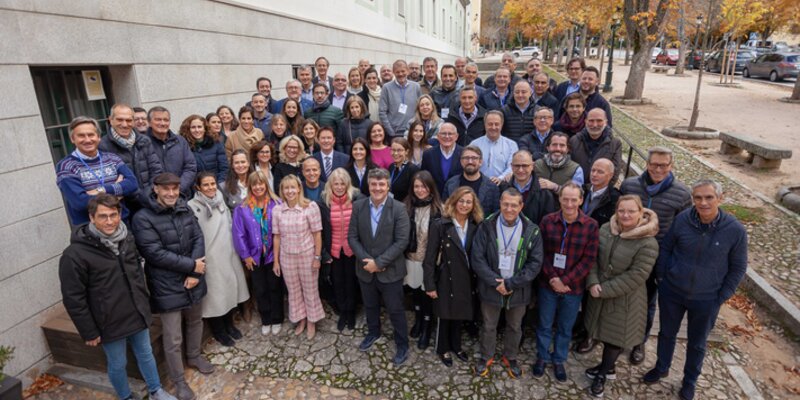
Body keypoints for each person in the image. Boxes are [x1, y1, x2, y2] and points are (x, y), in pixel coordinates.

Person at [59, 194, 177, 400]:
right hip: (108, 319)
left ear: (120, 214)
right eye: (103, 216)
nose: (110, 221)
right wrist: (88, 331)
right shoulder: (74, 254)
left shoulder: (127, 238)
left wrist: (144, 301)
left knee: (146, 354)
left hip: (136, 311)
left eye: (113, 215)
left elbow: (136, 274)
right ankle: (125, 396)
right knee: (118, 363)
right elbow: (73, 297)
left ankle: (155, 390)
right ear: (91, 217)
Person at [643, 180, 747, 400]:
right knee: (666, 334)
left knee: (697, 343)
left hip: (707, 298)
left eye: (709, 197)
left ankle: (689, 381)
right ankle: (662, 367)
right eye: (698, 197)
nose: (703, 202)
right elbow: (667, 248)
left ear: (720, 198)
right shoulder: (682, 219)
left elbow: (738, 267)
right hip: (673, 290)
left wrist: (722, 295)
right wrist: (662, 277)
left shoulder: (735, 230)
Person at [132, 173, 213, 400]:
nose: (171, 193)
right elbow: (154, 253)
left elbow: (198, 237)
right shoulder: (143, 218)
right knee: (173, 337)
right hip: (166, 284)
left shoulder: (184, 208)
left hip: (193, 276)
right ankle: (179, 381)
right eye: (165, 189)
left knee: (196, 320)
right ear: (155, 189)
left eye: (174, 189)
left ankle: (194, 356)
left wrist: (195, 272)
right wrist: (191, 266)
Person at [621, 146, 692, 365]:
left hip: (657, 257)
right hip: (627, 251)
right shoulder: (629, 185)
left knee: (648, 301)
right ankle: (613, 334)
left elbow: (683, 229)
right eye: (654, 164)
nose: (658, 169)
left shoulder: (681, 194)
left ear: (671, 167)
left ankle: (639, 341)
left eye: (663, 165)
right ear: (647, 164)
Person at [583, 194, 658, 397]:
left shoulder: (648, 242)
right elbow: (594, 258)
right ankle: (608, 367)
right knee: (601, 329)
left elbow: (637, 275)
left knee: (614, 337)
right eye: (621, 210)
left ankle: (603, 374)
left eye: (631, 211)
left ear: (640, 213)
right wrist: (593, 281)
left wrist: (604, 290)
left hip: (625, 297)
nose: (625, 215)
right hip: (599, 288)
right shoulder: (606, 229)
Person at [471, 188, 543, 378]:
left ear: (521, 206)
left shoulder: (532, 230)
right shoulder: (486, 226)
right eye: (506, 204)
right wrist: (496, 282)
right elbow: (477, 258)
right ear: (500, 204)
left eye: (514, 205)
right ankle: (486, 356)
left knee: (515, 326)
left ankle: (510, 356)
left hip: (518, 289)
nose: (509, 208)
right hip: (491, 287)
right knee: (488, 325)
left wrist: (511, 284)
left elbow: (535, 263)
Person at [532, 182, 599, 382]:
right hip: (548, 283)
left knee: (565, 326)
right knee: (544, 324)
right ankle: (542, 357)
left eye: (573, 199)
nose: (569, 204)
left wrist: (566, 280)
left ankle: (559, 359)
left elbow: (589, 259)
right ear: (559, 199)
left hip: (573, 286)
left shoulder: (591, 225)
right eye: (565, 199)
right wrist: (553, 278)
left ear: (580, 200)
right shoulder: (547, 221)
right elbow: (540, 252)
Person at [348, 168, 411, 366]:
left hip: (390, 271)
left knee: (395, 309)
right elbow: (352, 237)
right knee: (370, 305)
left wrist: (380, 263)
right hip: (365, 269)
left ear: (388, 186)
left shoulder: (399, 208)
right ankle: (373, 332)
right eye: (373, 184)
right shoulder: (358, 206)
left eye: (381, 184)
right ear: (368, 185)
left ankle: (402, 344)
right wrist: (369, 262)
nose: (377, 188)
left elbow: (402, 241)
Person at [423, 186, 483, 367]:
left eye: (468, 202)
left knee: (459, 314)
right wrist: (430, 285)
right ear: (454, 202)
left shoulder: (475, 226)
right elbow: (430, 257)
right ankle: (443, 348)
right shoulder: (440, 225)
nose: (464, 205)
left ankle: (456, 346)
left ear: (473, 205)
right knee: (445, 315)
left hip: (466, 278)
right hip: (445, 277)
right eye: (461, 201)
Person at [188, 173, 249, 347]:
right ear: (198, 187)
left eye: (213, 183)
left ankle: (229, 324)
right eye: (205, 185)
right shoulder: (192, 206)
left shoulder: (220, 198)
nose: (210, 188)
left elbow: (229, 222)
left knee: (229, 291)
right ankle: (219, 331)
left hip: (227, 251)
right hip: (210, 255)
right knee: (215, 296)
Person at [56, 116, 138, 225]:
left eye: (91, 135)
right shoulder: (66, 166)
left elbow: (132, 184)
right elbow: (80, 202)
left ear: (98, 137)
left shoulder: (112, 158)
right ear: (72, 139)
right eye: (81, 136)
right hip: (90, 231)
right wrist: (116, 194)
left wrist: (101, 190)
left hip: (121, 224)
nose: (87, 140)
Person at [232, 170, 284, 335]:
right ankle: (266, 318)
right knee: (260, 288)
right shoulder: (242, 208)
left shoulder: (277, 204)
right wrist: (245, 255)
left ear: (266, 184)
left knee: (275, 286)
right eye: (254, 184)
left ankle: (277, 318)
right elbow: (238, 233)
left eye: (261, 183)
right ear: (250, 187)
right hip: (254, 255)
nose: (258, 187)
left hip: (273, 254)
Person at [273, 175, 325, 339]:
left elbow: (317, 234)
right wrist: (275, 261)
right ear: (282, 191)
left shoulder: (310, 207)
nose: (289, 191)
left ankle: (312, 320)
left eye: (292, 187)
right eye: (286, 188)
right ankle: (301, 319)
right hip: (286, 257)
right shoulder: (277, 210)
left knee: (310, 289)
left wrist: (317, 257)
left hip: (307, 255)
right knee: (293, 291)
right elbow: (277, 237)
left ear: (299, 189)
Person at [317, 168, 363, 331]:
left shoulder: (357, 198)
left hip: (351, 249)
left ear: (347, 184)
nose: (339, 187)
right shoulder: (323, 201)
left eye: (342, 183)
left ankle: (350, 311)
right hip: (334, 250)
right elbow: (320, 229)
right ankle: (343, 310)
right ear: (330, 184)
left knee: (351, 281)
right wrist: (324, 253)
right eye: (335, 183)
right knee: (337, 281)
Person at [403, 171, 443, 350]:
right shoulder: (407, 206)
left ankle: (427, 326)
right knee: (415, 291)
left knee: (427, 293)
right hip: (410, 257)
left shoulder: (438, 209)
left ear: (431, 187)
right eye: (416, 186)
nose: (420, 190)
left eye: (423, 186)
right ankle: (418, 320)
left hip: (429, 260)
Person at [98, 104, 163, 212]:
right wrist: (142, 198)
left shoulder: (144, 140)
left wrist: (149, 195)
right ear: (110, 120)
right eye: (120, 119)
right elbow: (112, 180)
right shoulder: (103, 146)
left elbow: (156, 169)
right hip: (124, 205)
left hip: (151, 199)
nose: (125, 124)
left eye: (129, 120)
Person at [146, 106, 197, 196]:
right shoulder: (143, 143)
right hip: (155, 198)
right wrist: (159, 192)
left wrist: (177, 189)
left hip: (182, 195)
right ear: (149, 122)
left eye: (166, 120)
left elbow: (190, 167)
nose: (162, 123)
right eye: (158, 119)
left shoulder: (180, 141)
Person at [499, 150, 559, 225]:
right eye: (517, 166)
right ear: (511, 166)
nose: (520, 170)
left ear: (532, 166)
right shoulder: (502, 188)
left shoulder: (545, 193)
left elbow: (547, 224)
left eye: (525, 166)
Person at [569, 108, 622, 185]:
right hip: (576, 189)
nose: (595, 125)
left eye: (599, 121)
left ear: (606, 122)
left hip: (600, 191)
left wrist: (599, 190)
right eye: (591, 121)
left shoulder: (615, 144)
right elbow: (569, 167)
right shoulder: (574, 140)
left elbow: (614, 172)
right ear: (585, 122)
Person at [443, 146, 500, 215]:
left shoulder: (492, 187)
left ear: (480, 161)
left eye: (474, 158)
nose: (470, 161)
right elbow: (445, 209)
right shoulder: (450, 184)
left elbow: (494, 214)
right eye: (466, 158)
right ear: (461, 161)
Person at [470, 110, 517, 184]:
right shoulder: (475, 144)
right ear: (485, 124)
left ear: (502, 125)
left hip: (502, 185)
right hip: (479, 184)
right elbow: (471, 164)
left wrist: (500, 178)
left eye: (497, 124)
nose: (493, 127)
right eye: (490, 124)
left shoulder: (511, 145)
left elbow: (512, 167)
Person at [379, 60, 422, 138]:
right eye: (397, 72)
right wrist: (390, 131)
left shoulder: (416, 87)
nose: (401, 74)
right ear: (393, 72)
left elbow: (420, 109)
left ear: (408, 71)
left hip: (412, 131)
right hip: (394, 132)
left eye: (403, 71)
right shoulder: (386, 88)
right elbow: (382, 112)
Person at [180, 114, 227, 184]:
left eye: (199, 127)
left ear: (205, 128)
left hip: (216, 186)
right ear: (188, 130)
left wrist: (218, 185)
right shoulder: (183, 146)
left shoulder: (216, 143)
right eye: (193, 127)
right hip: (194, 189)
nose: (197, 130)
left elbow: (224, 168)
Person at [420, 123, 463, 196]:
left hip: (457, 198)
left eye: (450, 134)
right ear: (438, 136)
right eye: (443, 133)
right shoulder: (428, 154)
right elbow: (424, 178)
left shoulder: (464, 153)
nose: (447, 136)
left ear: (456, 136)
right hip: (434, 198)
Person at [387, 137, 420, 202]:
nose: (395, 153)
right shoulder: (391, 167)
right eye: (393, 150)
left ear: (406, 152)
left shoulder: (413, 170)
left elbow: (413, 194)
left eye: (399, 150)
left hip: (405, 207)